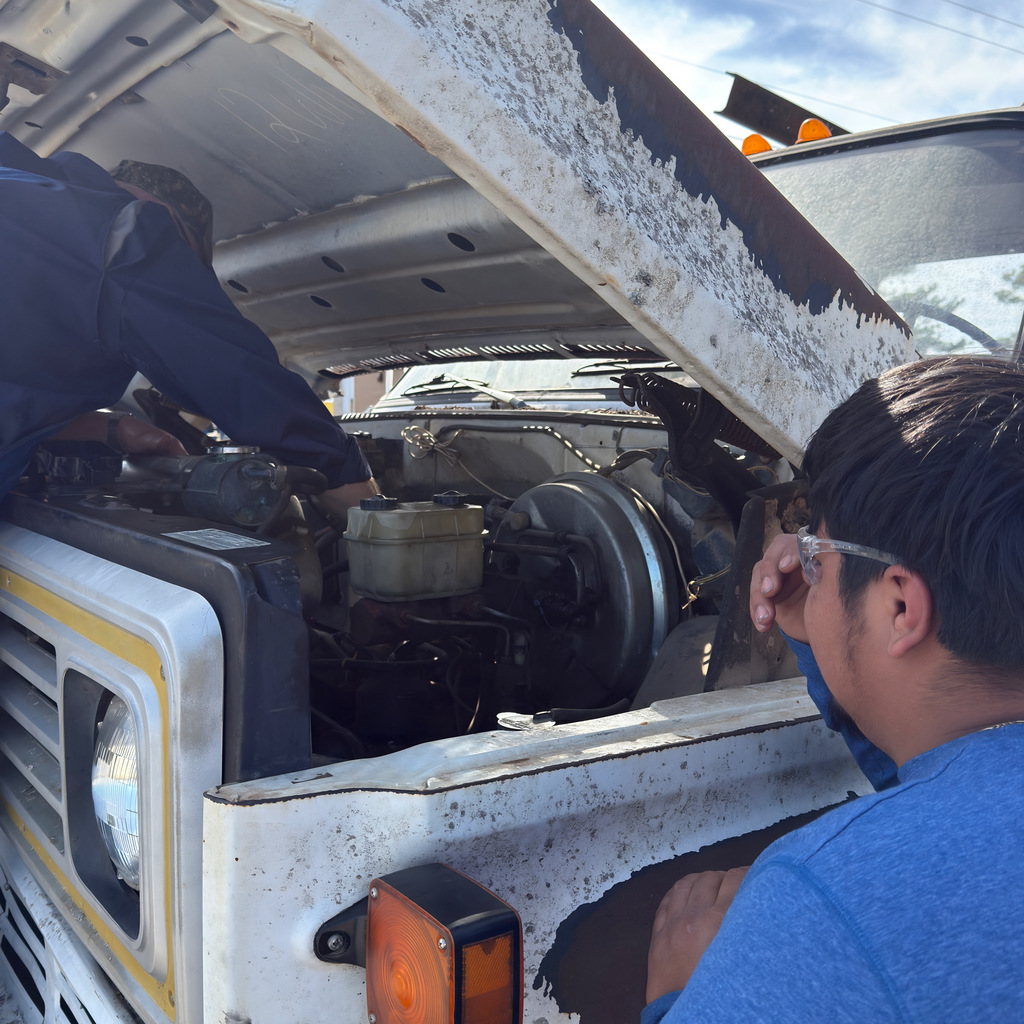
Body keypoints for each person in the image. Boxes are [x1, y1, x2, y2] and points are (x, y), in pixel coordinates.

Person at [643, 356, 1024, 1022]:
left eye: (816, 557)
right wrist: (820, 632)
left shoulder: (823, 902)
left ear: (901, 607)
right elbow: (950, 790)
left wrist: (678, 995)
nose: (797, 562)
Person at [0, 131, 379, 517]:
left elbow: (18, 390)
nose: (177, 276)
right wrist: (344, 478)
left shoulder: (20, 190)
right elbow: (234, 373)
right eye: (183, 261)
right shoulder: (123, 238)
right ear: (169, 220)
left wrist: (114, 429)